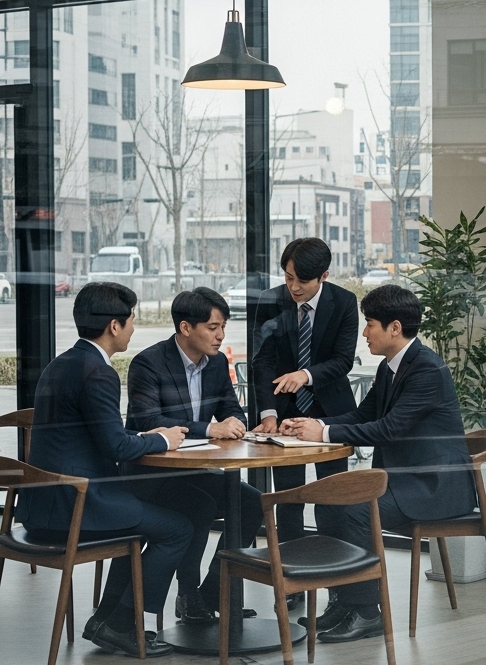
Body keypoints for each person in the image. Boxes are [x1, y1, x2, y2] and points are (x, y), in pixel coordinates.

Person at [280, 285, 476, 644]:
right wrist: (313, 427)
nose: (364, 333)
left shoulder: (426, 370)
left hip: (434, 488)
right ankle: (346, 601)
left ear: (394, 328)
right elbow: (361, 415)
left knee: (355, 507)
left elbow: (386, 428)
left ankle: (367, 611)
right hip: (406, 482)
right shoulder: (391, 367)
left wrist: (322, 433)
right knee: (332, 503)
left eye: (369, 324)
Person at [16, 282, 190, 657]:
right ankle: (121, 624)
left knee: (148, 513)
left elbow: (100, 433)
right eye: (131, 321)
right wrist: (163, 441)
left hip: (40, 505)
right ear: (114, 325)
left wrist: (147, 434)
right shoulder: (99, 372)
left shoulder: (60, 364)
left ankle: (107, 622)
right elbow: (114, 446)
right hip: (75, 507)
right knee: (178, 528)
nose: (133, 329)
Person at [124, 288, 263, 624]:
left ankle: (212, 593)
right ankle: (187, 596)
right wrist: (208, 429)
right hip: (149, 472)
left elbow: (232, 407)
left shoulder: (216, 363)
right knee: (197, 505)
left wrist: (236, 422)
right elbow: (147, 421)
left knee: (252, 502)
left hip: (193, 469)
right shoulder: (148, 363)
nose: (220, 335)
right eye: (213, 327)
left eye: (223, 327)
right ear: (186, 328)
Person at [250, 238, 359, 547]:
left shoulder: (344, 302)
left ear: (323, 275)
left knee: (332, 498)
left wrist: (305, 375)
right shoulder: (270, 300)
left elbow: (342, 361)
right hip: (283, 415)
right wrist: (268, 412)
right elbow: (262, 361)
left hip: (330, 414)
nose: (294, 287)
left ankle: (336, 579)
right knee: (288, 500)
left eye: (302, 280)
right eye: (288, 277)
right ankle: (291, 584)